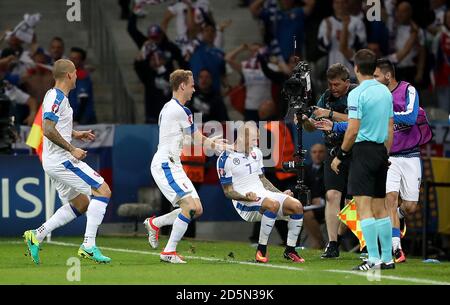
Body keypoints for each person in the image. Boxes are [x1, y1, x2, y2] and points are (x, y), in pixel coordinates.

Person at [23, 59, 112, 264]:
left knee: (81, 203)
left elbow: (55, 125)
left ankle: (37, 234)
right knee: (103, 190)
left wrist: (75, 134)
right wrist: (72, 148)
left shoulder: (56, 96)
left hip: (53, 160)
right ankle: (89, 245)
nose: (77, 78)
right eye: (75, 74)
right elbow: (47, 128)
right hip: (62, 160)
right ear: (70, 75)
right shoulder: (57, 97)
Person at [143, 69, 229, 264]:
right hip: (166, 164)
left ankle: (154, 223)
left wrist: (216, 144)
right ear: (182, 85)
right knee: (189, 207)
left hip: (174, 164)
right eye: (191, 85)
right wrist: (218, 146)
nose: (194, 88)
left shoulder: (169, 108)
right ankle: (169, 252)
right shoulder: (181, 110)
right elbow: (197, 138)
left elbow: (192, 138)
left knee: (196, 209)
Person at [331, 49, 394, 271]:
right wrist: (385, 153)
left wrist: (340, 155)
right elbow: (389, 127)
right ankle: (387, 258)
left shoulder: (357, 94)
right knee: (380, 207)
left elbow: (353, 129)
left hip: (363, 151)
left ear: (356, 68)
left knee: (363, 206)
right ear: (374, 68)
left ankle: (374, 259)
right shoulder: (386, 92)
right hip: (380, 151)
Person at [217, 121, 305, 263]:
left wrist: (281, 193)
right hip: (243, 203)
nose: (255, 143)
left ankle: (290, 250)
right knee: (272, 204)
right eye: (252, 139)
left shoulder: (256, 152)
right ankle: (261, 250)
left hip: (262, 194)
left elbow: (262, 179)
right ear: (241, 137)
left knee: (297, 206)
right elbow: (228, 192)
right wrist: (245, 197)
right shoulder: (225, 158)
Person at [300, 63, 356, 258]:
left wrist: (330, 114)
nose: (333, 88)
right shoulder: (326, 97)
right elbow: (312, 128)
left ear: (347, 82)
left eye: (337, 84)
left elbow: (358, 120)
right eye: (330, 84)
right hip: (332, 151)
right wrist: (307, 121)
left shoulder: (357, 93)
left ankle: (339, 237)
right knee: (332, 195)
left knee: (352, 203)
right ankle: (332, 244)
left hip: (355, 151)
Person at [303, 143, 327, 249]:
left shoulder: (330, 169)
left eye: (320, 152)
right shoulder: (305, 170)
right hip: (310, 205)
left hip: (327, 206)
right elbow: (301, 189)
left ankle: (319, 243)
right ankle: (320, 242)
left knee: (308, 215)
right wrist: (309, 200)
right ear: (310, 154)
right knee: (303, 213)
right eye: (314, 152)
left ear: (326, 154)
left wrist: (323, 200)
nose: (317, 155)